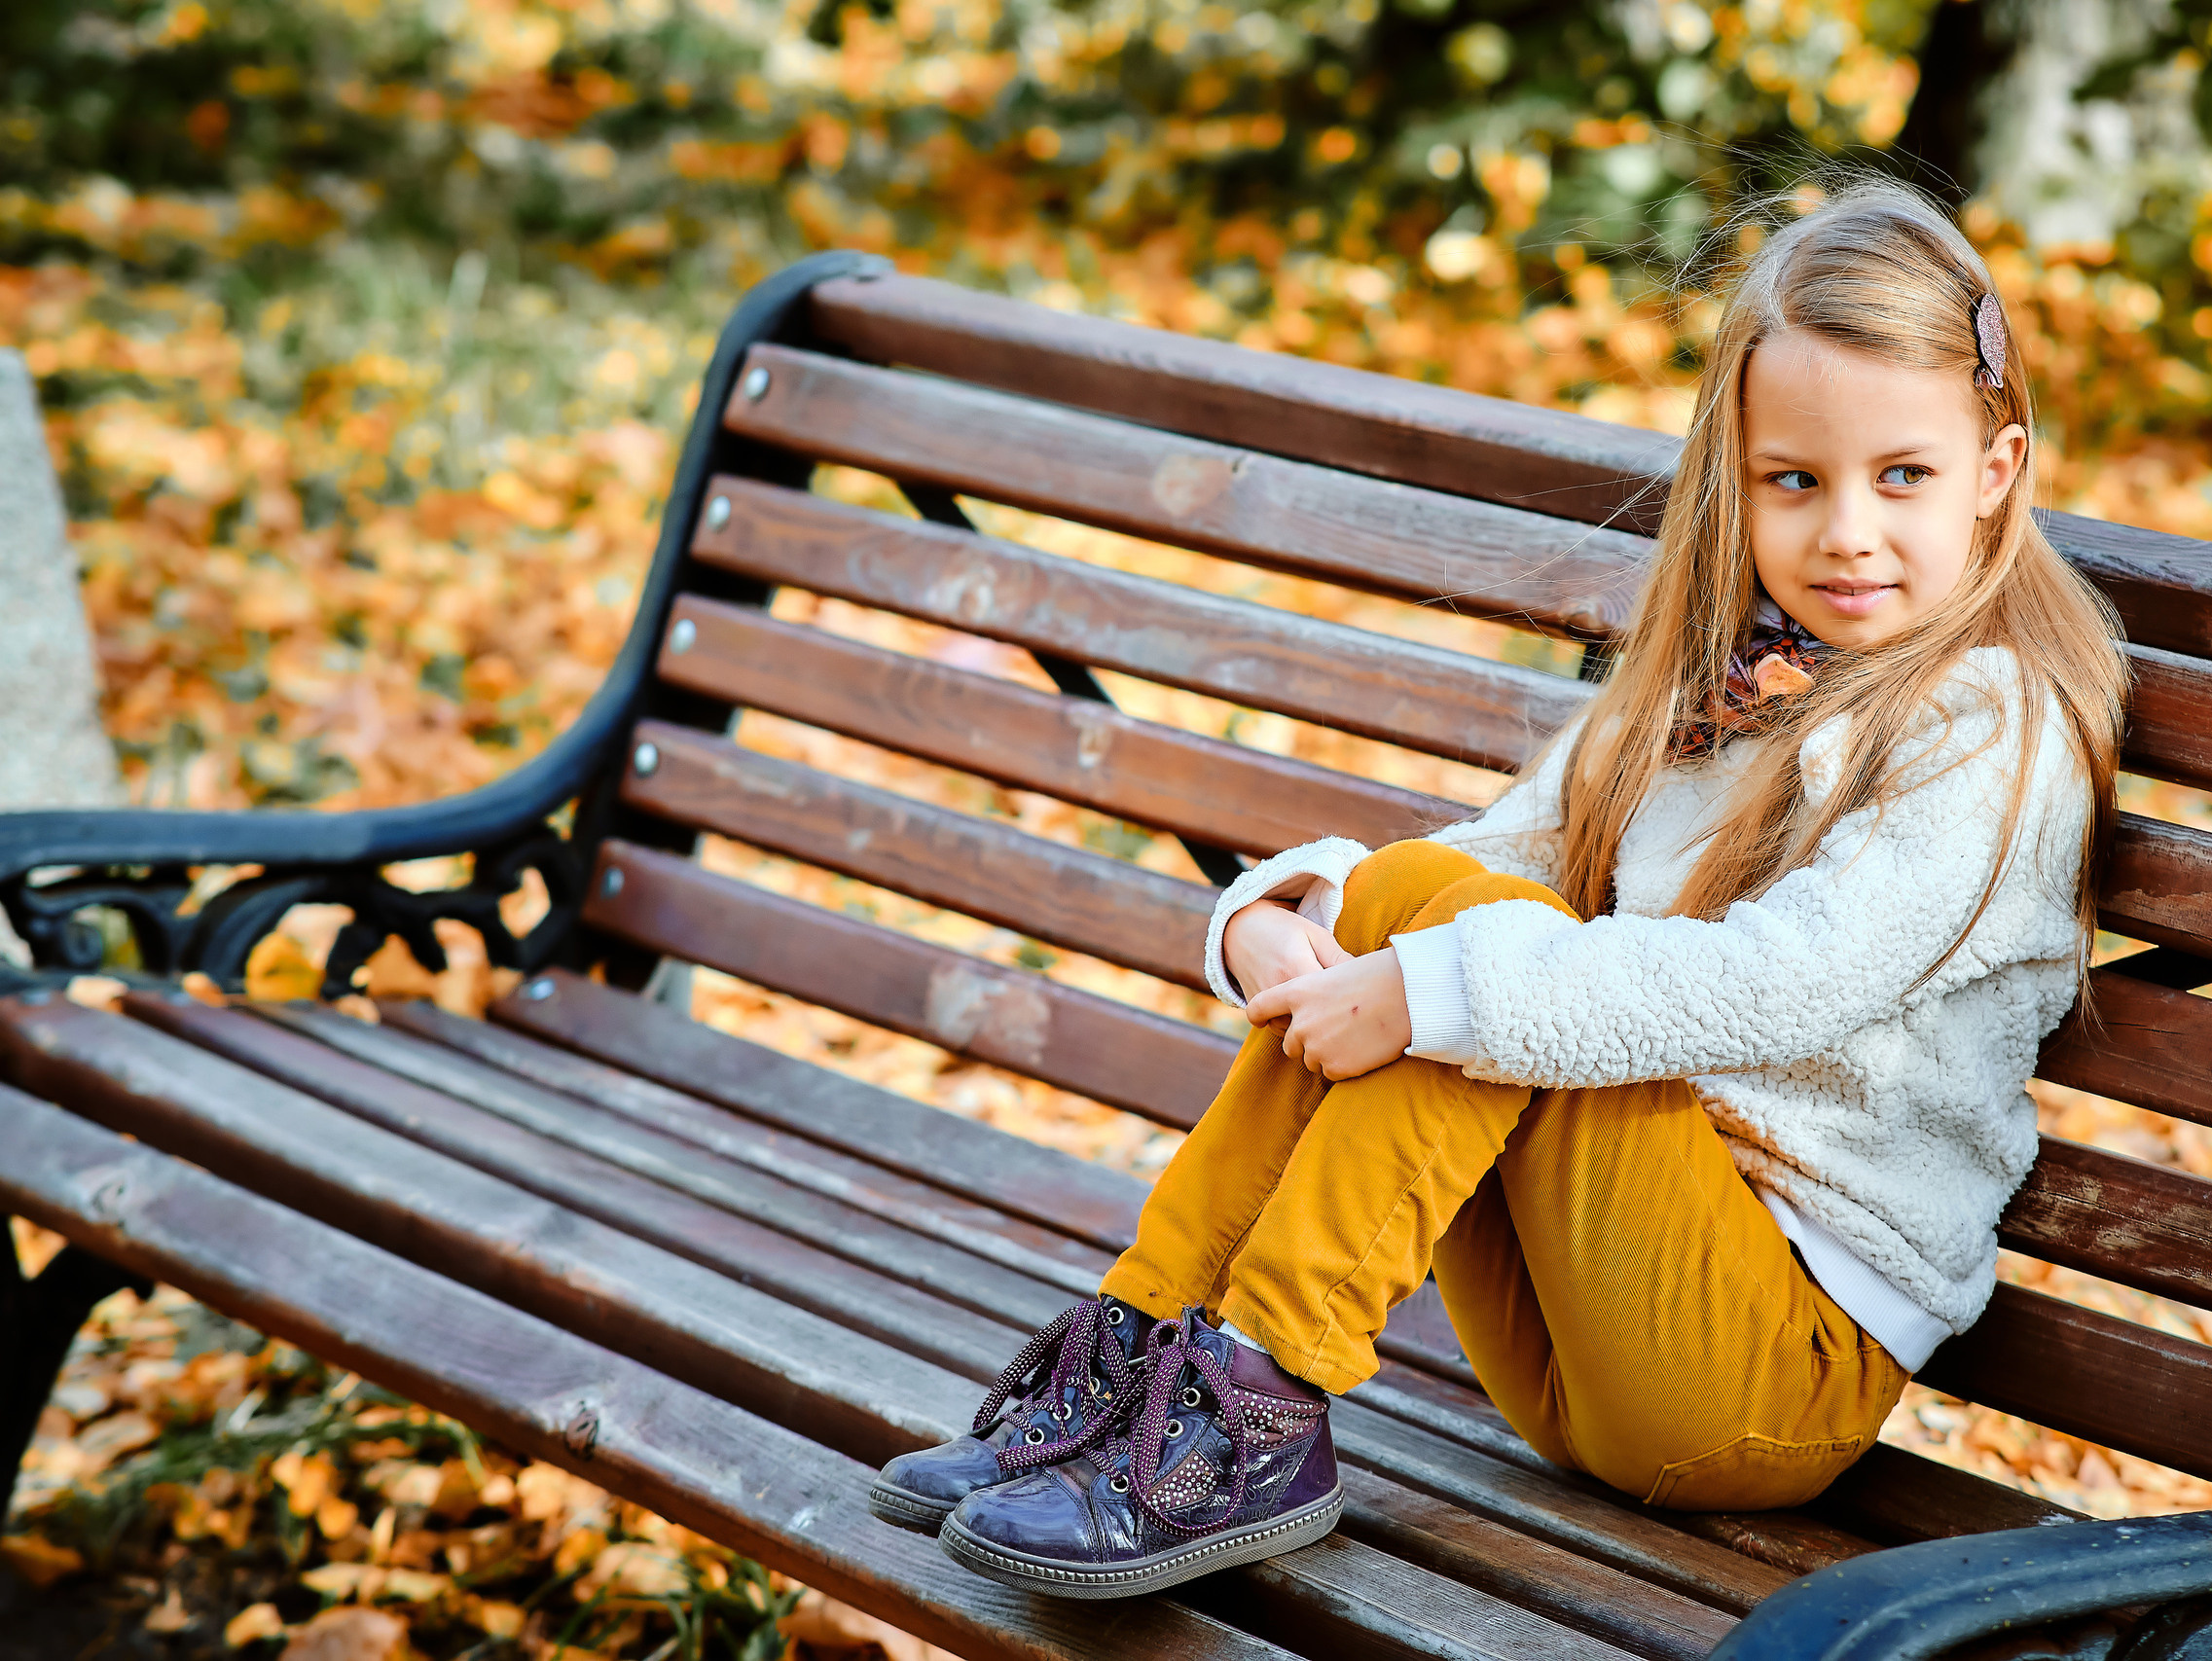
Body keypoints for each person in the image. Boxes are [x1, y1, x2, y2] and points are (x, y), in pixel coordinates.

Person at [872, 180, 2130, 1600]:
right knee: (1439, 892)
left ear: (1999, 466)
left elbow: (1786, 979)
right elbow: (1500, 855)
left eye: (1901, 476)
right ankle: (1149, 1349)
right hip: (1578, 1331)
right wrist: (1287, 920)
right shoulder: (1732, 675)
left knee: (1493, 959)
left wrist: (1435, 985)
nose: (1846, 532)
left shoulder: (1995, 730)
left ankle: (1261, 1394)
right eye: (1797, 480)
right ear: (1738, 472)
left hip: (1761, 1370)